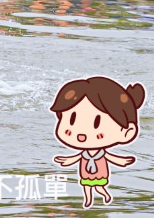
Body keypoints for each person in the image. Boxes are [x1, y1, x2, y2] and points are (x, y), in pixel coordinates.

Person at [51, 76, 145, 208]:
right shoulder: (84, 152)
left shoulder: (101, 151)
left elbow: (109, 157)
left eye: (97, 123)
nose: (81, 134)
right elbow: (78, 156)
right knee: (87, 187)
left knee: (99, 187)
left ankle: (105, 195)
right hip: (86, 172)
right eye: (71, 120)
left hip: (99, 171)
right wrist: (68, 160)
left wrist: (120, 161)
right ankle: (88, 200)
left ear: (127, 132)